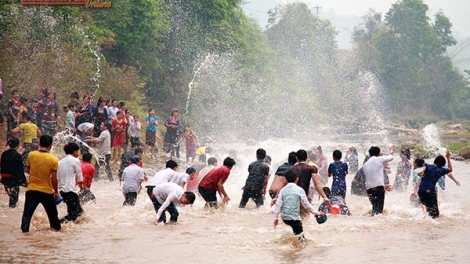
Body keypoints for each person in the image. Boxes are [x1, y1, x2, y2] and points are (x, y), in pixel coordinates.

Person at [20, 135, 61, 233]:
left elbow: (28, 170)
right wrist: (56, 192)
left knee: (27, 216)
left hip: (32, 190)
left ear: (39, 144)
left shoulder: (31, 155)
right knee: (53, 217)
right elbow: (54, 179)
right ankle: (56, 234)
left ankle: (24, 234)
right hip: (46, 191)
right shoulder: (53, 159)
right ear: (50, 146)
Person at [273, 169, 325, 241]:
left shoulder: (283, 190)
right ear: (297, 179)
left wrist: (276, 218)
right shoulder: (299, 190)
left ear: (286, 179)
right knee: (301, 240)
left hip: (285, 218)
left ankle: (284, 240)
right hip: (294, 219)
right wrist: (315, 213)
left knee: (294, 232)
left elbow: (278, 204)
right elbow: (306, 204)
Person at [413, 151, 453, 218]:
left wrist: (420, 172)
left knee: (425, 207)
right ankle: (431, 226)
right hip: (430, 191)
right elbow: (450, 169)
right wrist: (448, 158)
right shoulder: (440, 170)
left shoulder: (427, 165)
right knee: (435, 214)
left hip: (421, 191)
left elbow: (423, 169)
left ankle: (424, 219)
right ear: (442, 164)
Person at [363, 145, 395, 216]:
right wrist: (391, 151)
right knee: (379, 212)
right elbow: (391, 157)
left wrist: (383, 185)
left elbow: (371, 178)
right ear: (378, 154)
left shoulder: (365, 164)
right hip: (378, 189)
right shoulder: (379, 159)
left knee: (374, 209)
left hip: (369, 190)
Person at [57, 142, 84, 223]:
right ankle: (58, 223)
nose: (79, 153)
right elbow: (79, 176)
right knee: (73, 215)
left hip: (62, 191)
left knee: (80, 213)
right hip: (71, 190)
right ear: (74, 152)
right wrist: (81, 186)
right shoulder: (75, 160)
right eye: (78, 151)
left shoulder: (60, 162)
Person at [1, 138, 27, 208]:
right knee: (14, 196)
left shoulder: (4, 154)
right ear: (17, 145)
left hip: (5, 178)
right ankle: (12, 208)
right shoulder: (18, 156)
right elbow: (20, 170)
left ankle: (10, 207)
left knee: (11, 194)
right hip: (13, 179)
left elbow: (2, 166)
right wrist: (24, 180)